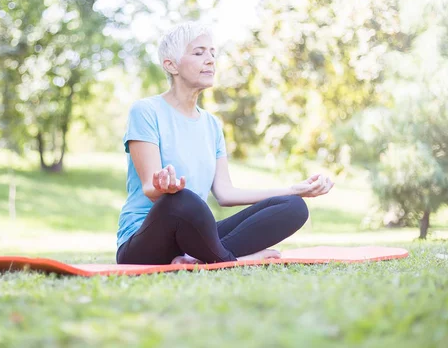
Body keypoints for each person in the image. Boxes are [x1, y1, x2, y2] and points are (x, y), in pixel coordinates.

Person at [116, 22, 334, 265]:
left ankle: (199, 258)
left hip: (193, 239)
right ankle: (233, 260)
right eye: (199, 53)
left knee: (293, 207)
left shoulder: (211, 124)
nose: (210, 60)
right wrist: (164, 187)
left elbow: (225, 193)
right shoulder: (146, 111)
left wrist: (294, 190)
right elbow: (149, 187)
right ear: (171, 64)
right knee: (182, 200)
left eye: (212, 53)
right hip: (144, 242)